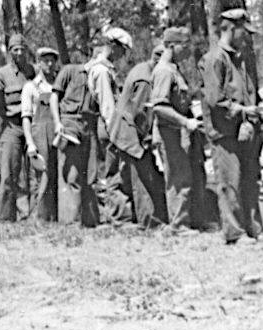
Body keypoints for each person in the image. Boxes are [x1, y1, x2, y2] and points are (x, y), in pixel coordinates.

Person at [201, 8, 263, 244]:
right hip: (224, 131)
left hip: (242, 130)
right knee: (229, 183)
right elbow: (215, 100)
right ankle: (234, 233)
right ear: (230, 28)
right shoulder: (215, 58)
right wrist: (242, 110)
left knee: (245, 180)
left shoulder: (239, 58)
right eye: (243, 32)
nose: (247, 37)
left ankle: (251, 228)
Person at [151, 26, 209, 231]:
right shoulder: (164, 71)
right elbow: (158, 106)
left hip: (182, 132)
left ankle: (190, 221)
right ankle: (178, 226)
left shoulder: (175, 70)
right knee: (178, 179)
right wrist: (185, 122)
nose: (187, 50)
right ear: (171, 46)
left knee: (188, 176)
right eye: (184, 45)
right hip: (171, 133)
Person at [109, 42, 170, 228]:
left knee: (124, 176)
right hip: (130, 132)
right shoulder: (145, 78)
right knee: (142, 177)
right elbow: (140, 112)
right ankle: (149, 221)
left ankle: (124, 218)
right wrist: (146, 140)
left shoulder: (143, 69)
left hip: (123, 130)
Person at [51, 37, 107, 227]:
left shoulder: (100, 78)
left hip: (89, 126)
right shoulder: (70, 71)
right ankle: (71, 222)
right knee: (72, 174)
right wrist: (58, 123)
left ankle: (91, 220)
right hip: (70, 124)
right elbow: (54, 97)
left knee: (91, 174)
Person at [87, 27, 134, 224]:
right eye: (122, 50)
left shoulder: (104, 69)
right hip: (109, 125)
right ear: (113, 47)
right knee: (114, 170)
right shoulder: (102, 71)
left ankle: (120, 213)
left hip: (109, 124)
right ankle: (119, 217)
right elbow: (107, 106)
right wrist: (116, 131)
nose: (123, 55)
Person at [0, 34, 34, 222]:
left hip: (31, 125)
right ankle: (6, 216)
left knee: (32, 172)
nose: (19, 53)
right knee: (8, 172)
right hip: (12, 126)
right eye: (15, 49)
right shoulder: (1, 74)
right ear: (9, 52)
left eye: (22, 49)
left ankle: (32, 214)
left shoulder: (32, 71)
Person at [22, 47, 61, 222]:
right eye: (45, 60)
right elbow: (26, 117)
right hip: (39, 133)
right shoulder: (31, 87)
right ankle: (40, 217)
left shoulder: (58, 86)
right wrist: (29, 142)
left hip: (57, 131)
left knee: (58, 174)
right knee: (42, 176)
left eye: (52, 60)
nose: (50, 64)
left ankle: (58, 216)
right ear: (38, 63)